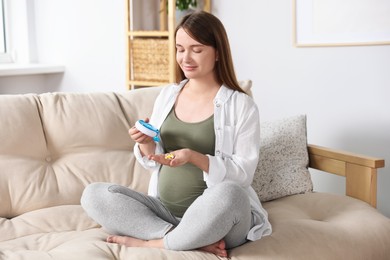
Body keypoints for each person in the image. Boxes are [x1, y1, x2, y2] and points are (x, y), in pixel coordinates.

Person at [81, 11, 272, 257]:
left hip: (219, 218)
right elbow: (154, 160)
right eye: (180, 49)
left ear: (218, 53)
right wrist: (147, 144)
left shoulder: (241, 105)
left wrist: (194, 157)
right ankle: (183, 237)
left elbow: (243, 175)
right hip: (164, 210)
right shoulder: (169, 95)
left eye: (197, 49)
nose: (186, 58)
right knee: (94, 195)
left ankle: (155, 242)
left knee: (231, 193)